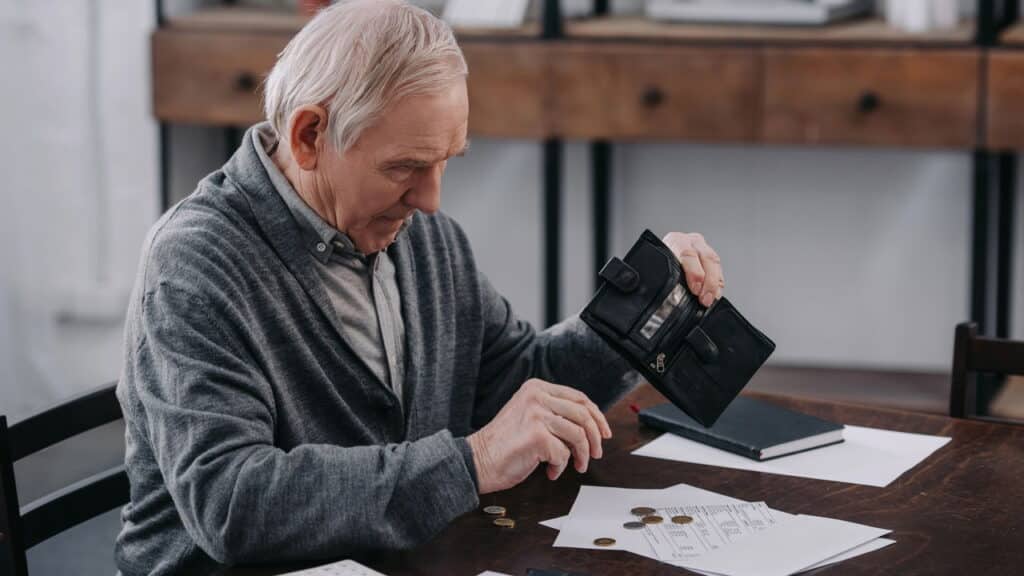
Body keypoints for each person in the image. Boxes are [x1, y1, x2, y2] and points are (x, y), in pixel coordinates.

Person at [114, 1, 725, 574]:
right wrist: (473, 462)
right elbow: (233, 503)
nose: (431, 201)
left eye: (446, 162)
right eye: (404, 167)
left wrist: (643, 313)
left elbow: (510, 384)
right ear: (308, 137)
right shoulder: (194, 264)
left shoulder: (423, 238)